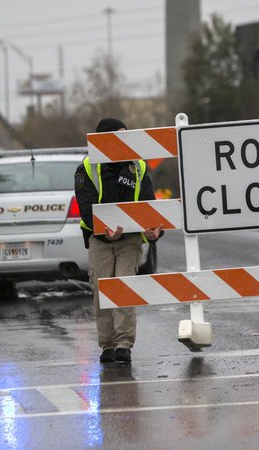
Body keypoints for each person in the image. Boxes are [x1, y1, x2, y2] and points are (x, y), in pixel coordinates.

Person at [75, 118, 163, 364]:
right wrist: (104, 231)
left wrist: (153, 233)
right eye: (120, 136)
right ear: (105, 140)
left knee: (124, 288)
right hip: (100, 240)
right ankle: (108, 345)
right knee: (102, 291)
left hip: (130, 241)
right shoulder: (86, 168)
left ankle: (124, 344)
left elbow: (149, 207)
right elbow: (86, 209)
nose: (126, 140)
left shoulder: (138, 166)